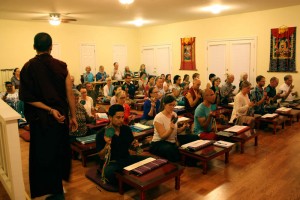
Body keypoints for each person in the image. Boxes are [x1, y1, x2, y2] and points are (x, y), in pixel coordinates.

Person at [19, 32, 77, 199]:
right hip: (61, 118)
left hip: (41, 120)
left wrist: (49, 110)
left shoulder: (28, 67)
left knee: (43, 154)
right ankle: (58, 188)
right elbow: (69, 94)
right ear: (51, 47)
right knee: (59, 151)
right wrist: (73, 116)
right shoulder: (62, 66)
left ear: (34, 47)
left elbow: (27, 98)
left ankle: (48, 190)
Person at [96, 104, 146, 187]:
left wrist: (135, 146)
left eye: (122, 117)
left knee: (149, 160)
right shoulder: (101, 133)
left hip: (126, 158)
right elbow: (101, 156)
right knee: (110, 173)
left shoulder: (126, 129)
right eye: (118, 117)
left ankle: (129, 182)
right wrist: (106, 146)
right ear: (110, 117)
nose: (121, 120)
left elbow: (132, 147)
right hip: (112, 163)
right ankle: (130, 182)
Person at [150, 95, 198, 162]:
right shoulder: (158, 117)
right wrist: (171, 128)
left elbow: (175, 132)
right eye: (170, 105)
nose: (172, 107)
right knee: (171, 149)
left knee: (194, 137)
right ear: (164, 105)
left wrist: (183, 128)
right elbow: (163, 136)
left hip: (172, 140)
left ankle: (195, 158)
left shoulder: (174, 114)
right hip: (159, 142)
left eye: (173, 105)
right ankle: (186, 162)